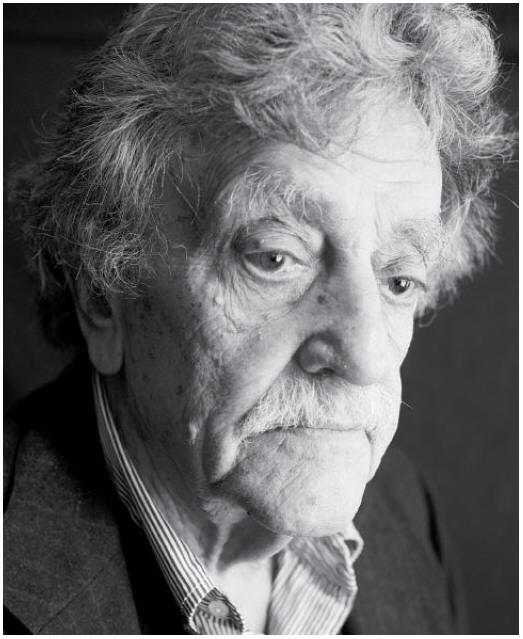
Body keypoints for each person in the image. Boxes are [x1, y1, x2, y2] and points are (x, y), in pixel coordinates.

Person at [4, 4, 512, 635]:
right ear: (104, 295)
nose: (367, 356)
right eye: (275, 258)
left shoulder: (408, 518)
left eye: (399, 280)